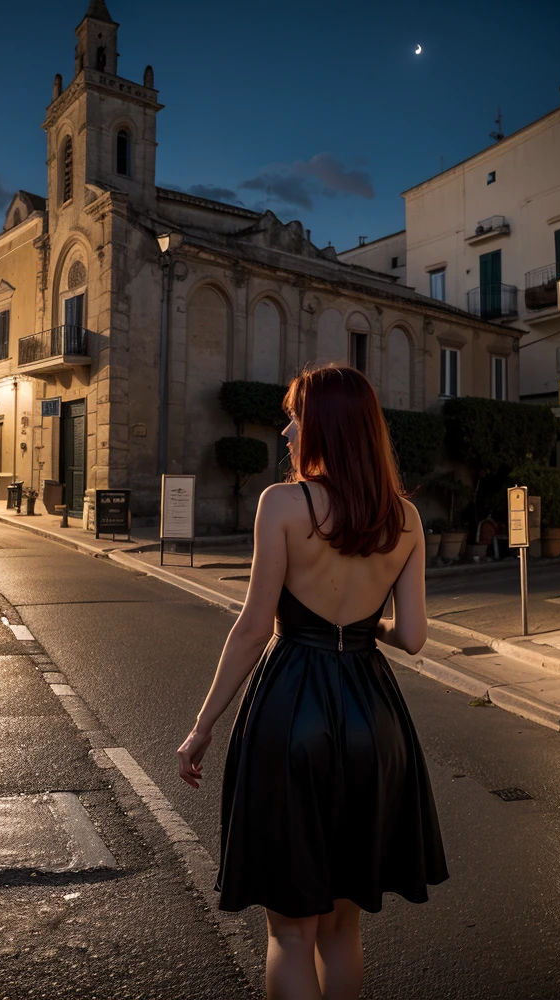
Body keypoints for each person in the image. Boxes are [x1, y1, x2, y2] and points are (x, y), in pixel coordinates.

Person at [177, 364, 448, 1000]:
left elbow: (252, 627)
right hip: (373, 717)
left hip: (290, 704)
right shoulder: (405, 518)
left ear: (327, 425)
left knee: (290, 934)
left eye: (298, 415)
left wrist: (203, 725)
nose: (288, 429)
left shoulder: (282, 504)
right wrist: (364, 628)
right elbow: (412, 636)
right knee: (341, 930)